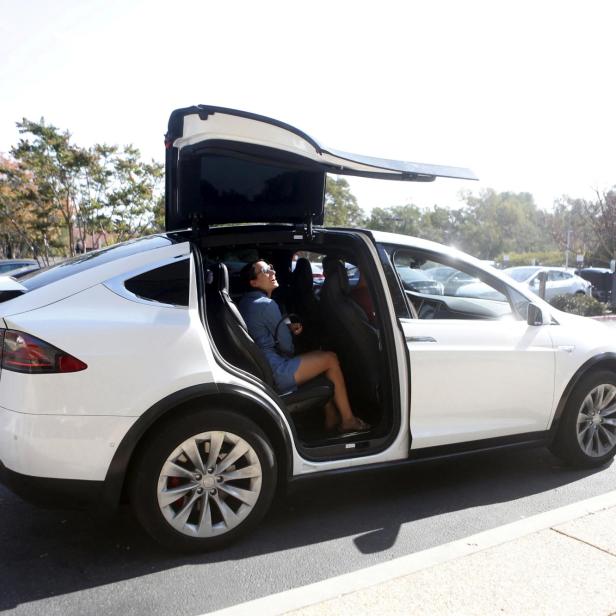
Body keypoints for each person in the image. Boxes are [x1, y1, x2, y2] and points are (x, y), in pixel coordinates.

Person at [238, 259, 370, 434]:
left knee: (318, 359)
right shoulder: (267, 305)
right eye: (265, 271)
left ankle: (332, 419)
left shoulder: (246, 302)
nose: (272, 272)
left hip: (264, 367)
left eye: (271, 267)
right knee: (330, 359)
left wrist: (285, 328)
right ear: (253, 282)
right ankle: (348, 420)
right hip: (277, 371)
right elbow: (287, 347)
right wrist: (291, 334)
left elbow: (262, 331)